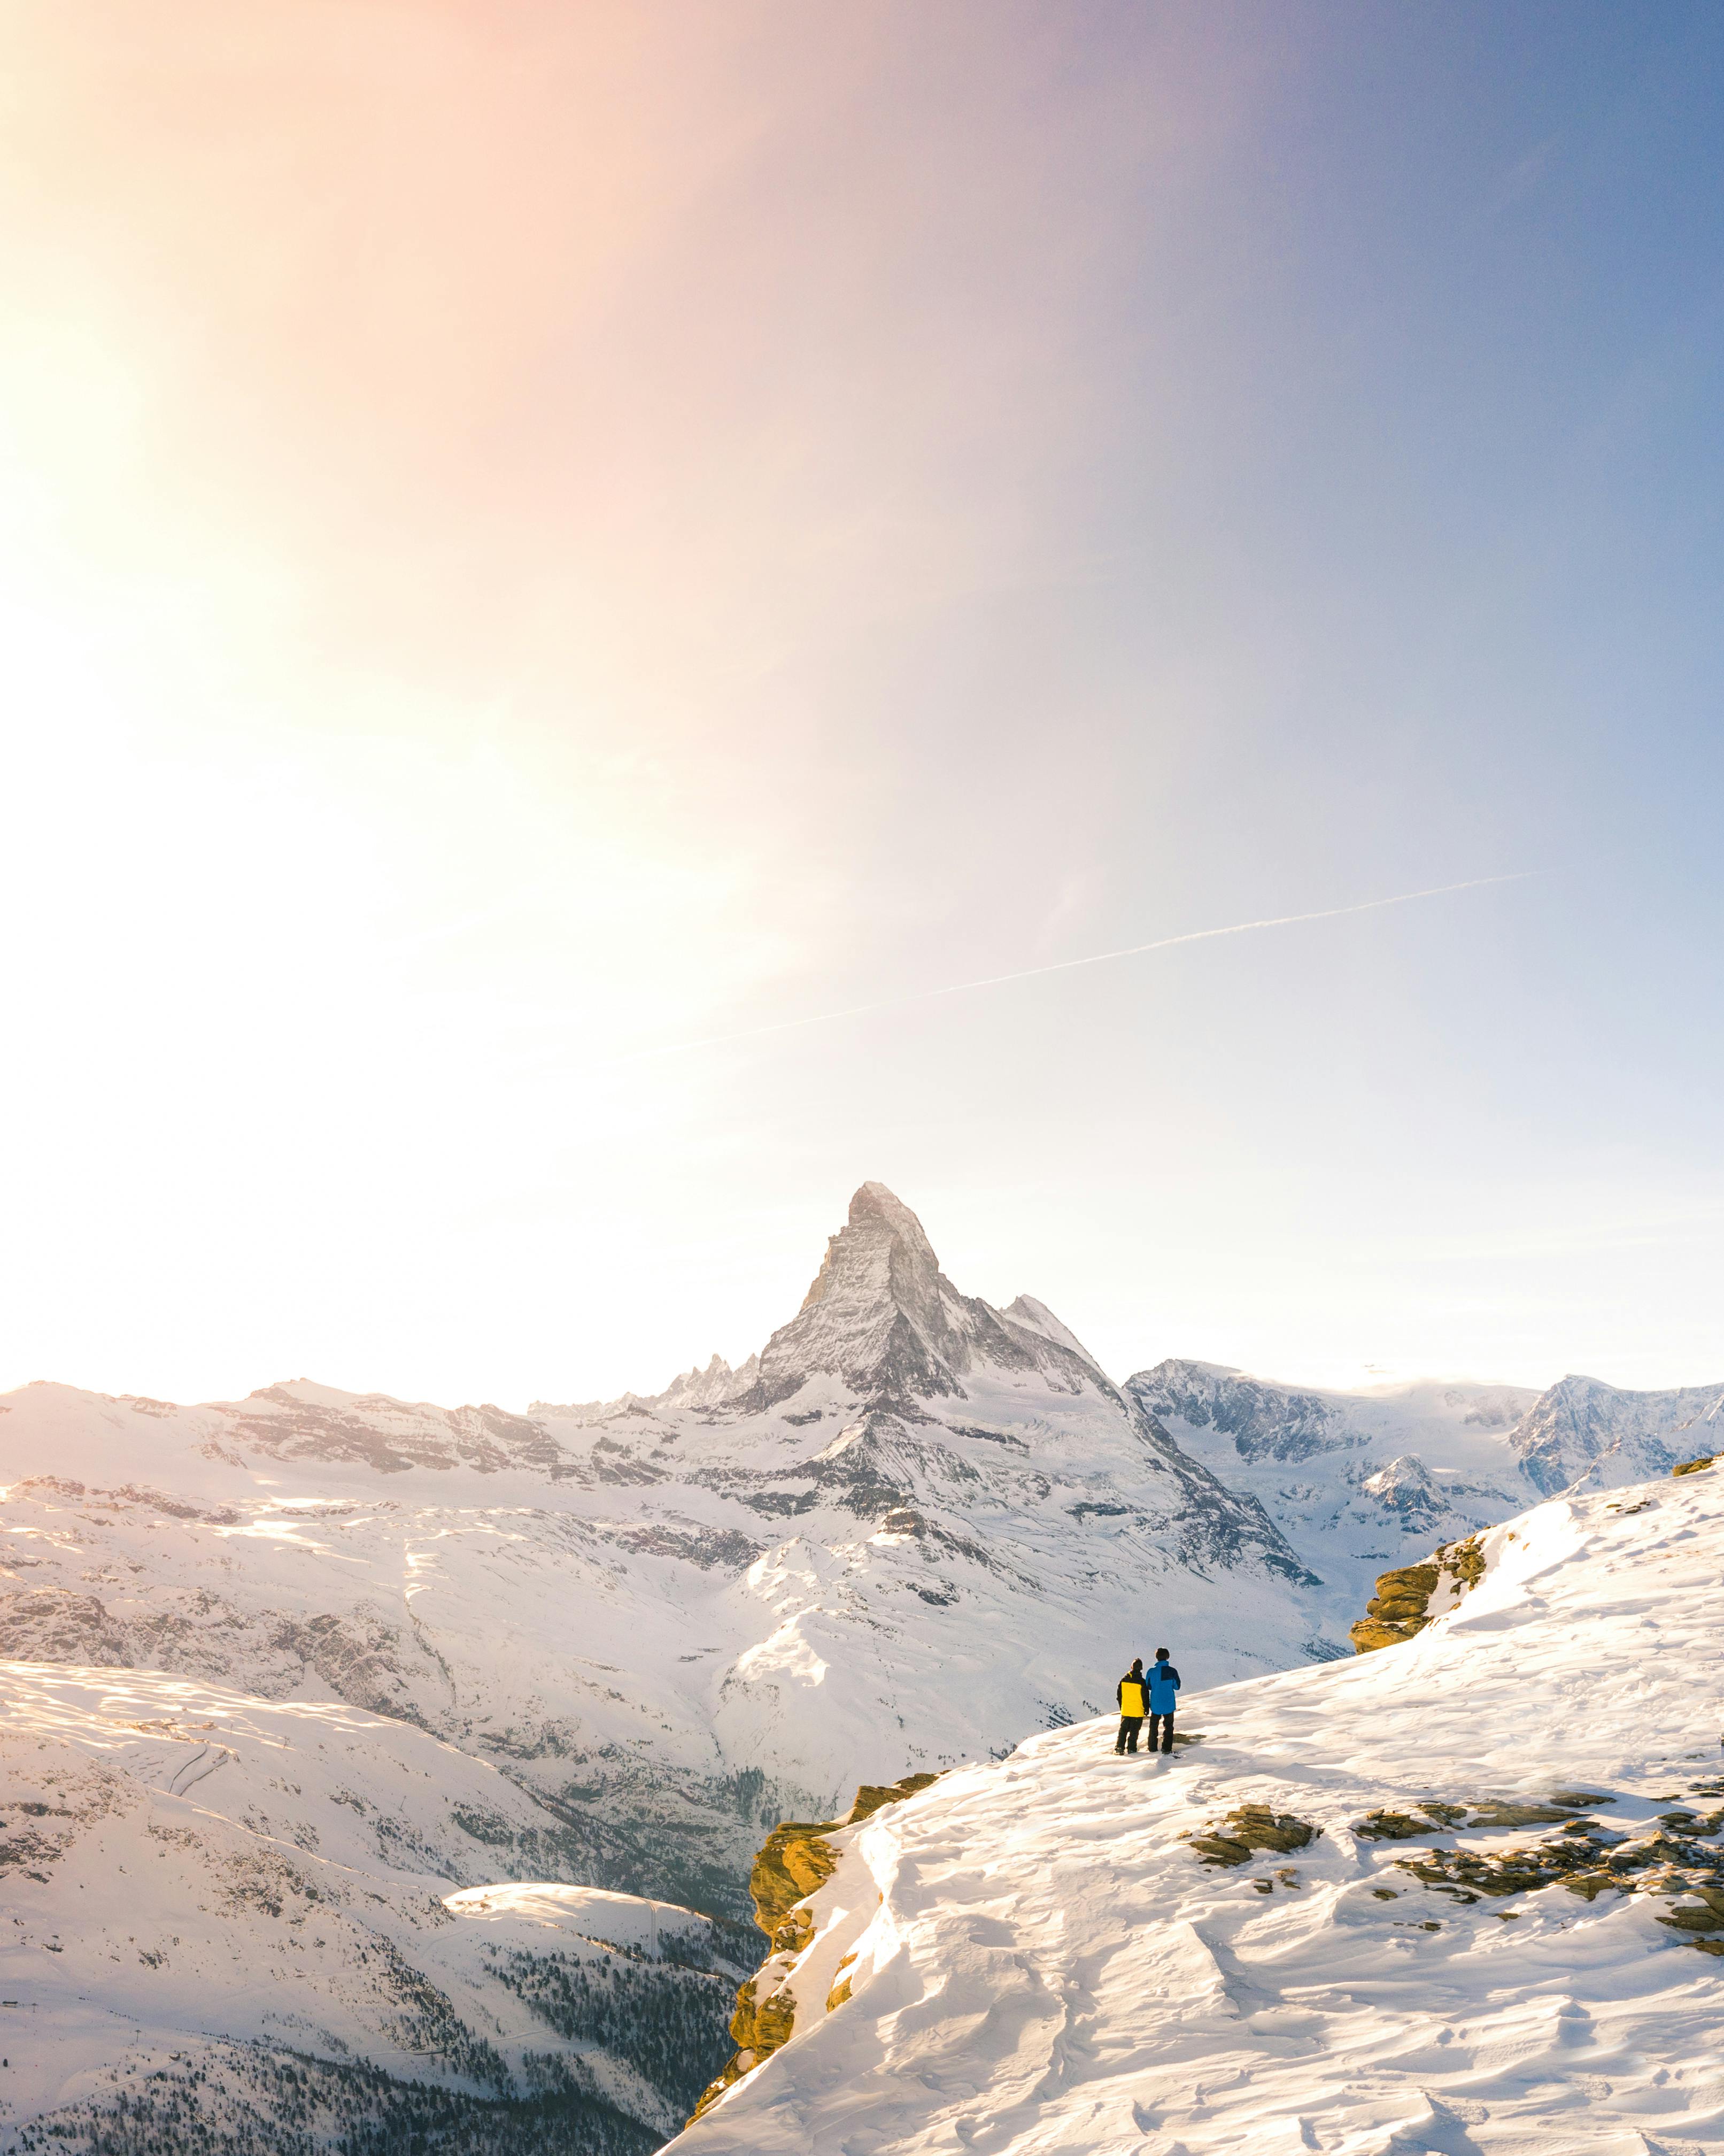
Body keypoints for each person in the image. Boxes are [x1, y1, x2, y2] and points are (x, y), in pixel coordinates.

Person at [1147, 1646, 1180, 1754]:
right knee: (1169, 1727)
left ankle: (1152, 1748)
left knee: (1153, 1726)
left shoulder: (1151, 1672)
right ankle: (1166, 1749)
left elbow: (1148, 1686)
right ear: (1167, 1657)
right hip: (1168, 1703)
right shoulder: (1172, 1671)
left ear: (1156, 1658)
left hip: (1156, 1703)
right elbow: (1177, 1686)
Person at [1115, 1657, 1147, 1754]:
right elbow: (1145, 1697)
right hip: (1138, 1711)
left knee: (1123, 1731)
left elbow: (1119, 1695)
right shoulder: (1142, 1682)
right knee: (1134, 1732)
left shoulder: (1124, 1680)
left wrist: (1122, 1707)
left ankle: (1119, 1748)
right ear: (1141, 1668)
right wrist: (1146, 1709)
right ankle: (1132, 1749)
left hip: (1126, 1710)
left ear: (1131, 1667)